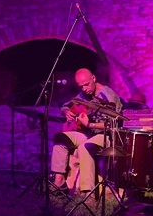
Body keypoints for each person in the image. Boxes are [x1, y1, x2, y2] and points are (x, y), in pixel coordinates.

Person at [50, 68, 122, 196]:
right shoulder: (85, 94)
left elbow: (113, 125)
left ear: (94, 78)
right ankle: (59, 182)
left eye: (86, 85)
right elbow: (65, 105)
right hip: (89, 134)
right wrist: (67, 111)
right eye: (81, 86)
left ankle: (89, 192)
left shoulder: (108, 96)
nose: (84, 89)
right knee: (60, 138)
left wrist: (89, 124)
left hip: (106, 136)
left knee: (85, 146)